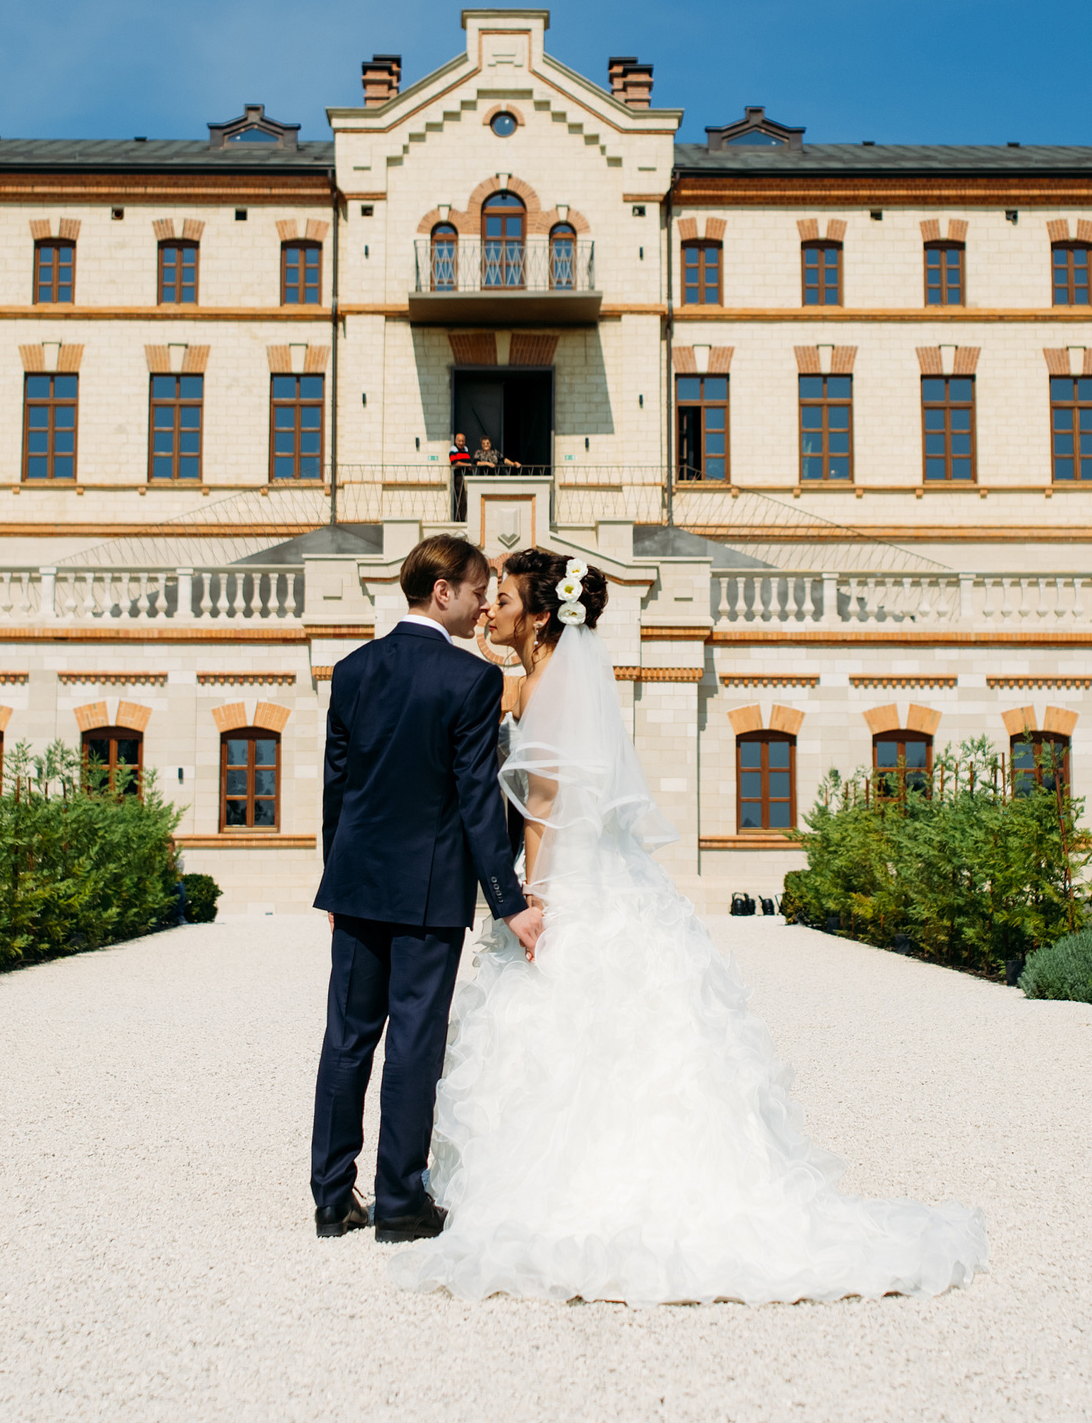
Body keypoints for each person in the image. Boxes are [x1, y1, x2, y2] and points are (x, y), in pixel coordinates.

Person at [388, 545, 989, 1304]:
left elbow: (542, 813)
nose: (487, 608)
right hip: (609, 876)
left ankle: (576, 1189)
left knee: (569, 1032)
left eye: (500, 596)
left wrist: (530, 905)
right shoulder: (537, 683)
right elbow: (501, 706)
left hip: (566, 880)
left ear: (539, 616)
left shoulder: (540, 692)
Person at [310, 534, 537, 1244]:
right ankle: (403, 1202)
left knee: (347, 1038)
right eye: (475, 593)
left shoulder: (351, 670)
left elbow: (336, 792)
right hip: (429, 892)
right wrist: (510, 901)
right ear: (442, 591)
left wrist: (335, 880)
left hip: (357, 885)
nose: (480, 609)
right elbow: (476, 798)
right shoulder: (469, 681)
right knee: (413, 1043)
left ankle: (330, 1197)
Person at [446, 432, 472, 522]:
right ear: (456, 441)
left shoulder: (465, 449)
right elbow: (454, 462)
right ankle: (459, 519)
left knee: (466, 498)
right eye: (459, 441)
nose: (461, 443)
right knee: (461, 498)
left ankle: (464, 517)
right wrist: (467, 464)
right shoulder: (453, 449)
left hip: (467, 476)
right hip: (459, 476)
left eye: (463, 441)